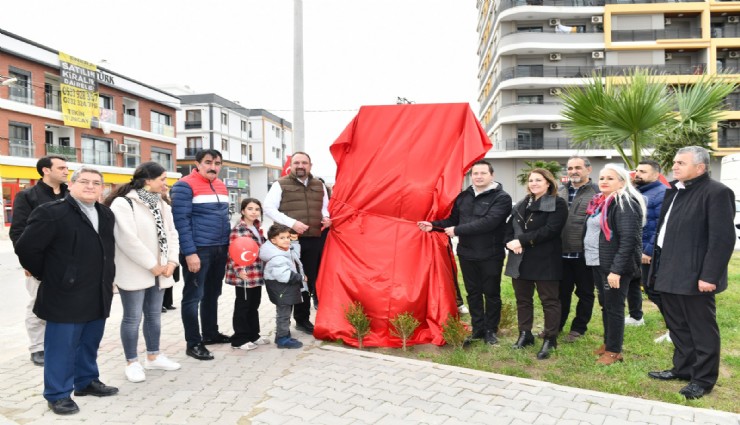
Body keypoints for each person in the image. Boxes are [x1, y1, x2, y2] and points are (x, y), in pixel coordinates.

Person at [15, 166, 118, 415]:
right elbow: (26, 249)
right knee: (61, 346)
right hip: (65, 293)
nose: (90, 186)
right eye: (84, 181)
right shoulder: (52, 212)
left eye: (96, 183)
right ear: (70, 185)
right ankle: (58, 394)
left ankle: (86, 381)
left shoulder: (105, 213)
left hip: (97, 290)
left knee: (89, 341)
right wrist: (51, 275)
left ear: (102, 188)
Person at [647, 146, 735, 400]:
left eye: (681, 163)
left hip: (696, 274)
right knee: (677, 325)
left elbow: (722, 240)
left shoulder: (717, 192)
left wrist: (710, 276)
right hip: (668, 269)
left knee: (701, 329)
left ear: (700, 167)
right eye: (674, 162)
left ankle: (704, 379)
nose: (674, 166)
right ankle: (683, 368)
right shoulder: (674, 190)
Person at [417, 160, 512, 345]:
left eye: (483, 173)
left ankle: (491, 331)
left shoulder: (501, 197)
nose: (478, 176)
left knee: (491, 293)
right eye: (475, 173)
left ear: (491, 175)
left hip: (491, 254)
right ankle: (478, 329)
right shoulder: (464, 196)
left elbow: (489, 222)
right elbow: (453, 220)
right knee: (473, 293)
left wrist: (457, 231)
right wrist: (433, 226)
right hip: (467, 253)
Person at [105, 162, 182, 383]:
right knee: (132, 317)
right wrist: (152, 264)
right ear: (148, 180)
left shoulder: (162, 203)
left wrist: (172, 262)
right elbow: (127, 239)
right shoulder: (123, 203)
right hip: (135, 269)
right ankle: (132, 362)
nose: (165, 184)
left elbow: (171, 234)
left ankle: (153, 355)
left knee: (154, 316)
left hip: (161, 271)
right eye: (162, 179)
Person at [171, 149, 231, 361]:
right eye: (208, 162)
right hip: (198, 250)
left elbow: (224, 218)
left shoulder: (221, 185)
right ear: (197, 163)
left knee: (213, 293)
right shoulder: (184, 186)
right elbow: (181, 222)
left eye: (217, 163)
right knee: (193, 297)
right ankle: (193, 343)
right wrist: (190, 253)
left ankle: (210, 334)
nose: (213, 167)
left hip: (220, 248)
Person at [9, 155, 69, 366]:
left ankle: (60, 344)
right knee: (38, 304)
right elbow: (18, 231)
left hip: (68, 262)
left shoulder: (70, 194)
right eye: (61, 167)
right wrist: (28, 262)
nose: (66, 171)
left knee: (66, 305)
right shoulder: (28, 196)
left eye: (66, 168)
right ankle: (38, 347)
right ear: (46, 170)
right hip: (39, 263)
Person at [583, 164, 645, 365]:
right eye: (601, 178)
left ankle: (614, 351)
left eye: (610, 178)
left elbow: (629, 239)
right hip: (598, 262)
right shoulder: (602, 202)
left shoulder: (624, 202)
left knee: (615, 307)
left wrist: (616, 271)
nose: (603, 181)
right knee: (606, 306)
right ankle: (608, 343)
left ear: (622, 181)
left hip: (613, 266)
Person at [263, 152, 331, 334]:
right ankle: (283, 323)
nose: (300, 166)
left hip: (314, 239)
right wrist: (292, 223)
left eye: (304, 163)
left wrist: (326, 218)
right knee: (291, 280)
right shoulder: (280, 184)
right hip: (289, 242)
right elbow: (268, 208)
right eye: (297, 162)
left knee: (308, 280)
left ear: (310, 165)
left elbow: (325, 207)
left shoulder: (319, 185)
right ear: (291, 165)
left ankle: (302, 320)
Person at [504, 168, 568, 360]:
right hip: (520, 260)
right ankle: (525, 334)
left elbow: (551, 230)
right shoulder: (522, 203)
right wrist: (508, 242)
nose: (534, 183)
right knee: (523, 300)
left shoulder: (557, 203)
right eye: (531, 180)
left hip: (545, 260)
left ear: (548, 183)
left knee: (549, 301)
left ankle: (550, 338)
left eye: (538, 180)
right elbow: (508, 227)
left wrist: (521, 241)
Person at [558, 156, 600, 343]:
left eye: (578, 167)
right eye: (570, 168)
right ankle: (556, 325)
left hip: (584, 254)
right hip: (560, 253)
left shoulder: (597, 192)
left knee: (585, 293)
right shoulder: (559, 191)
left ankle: (578, 328)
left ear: (588, 170)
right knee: (561, 293)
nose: (573, 171)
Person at [625, 160, 668, 336]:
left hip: (648, 251)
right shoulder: (638, 191)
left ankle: (675, 328)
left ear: (656, 174)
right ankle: (636, 317)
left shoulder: (661, 193)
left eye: (643, 171)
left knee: (653, 289)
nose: (638, 174)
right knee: (632, 282)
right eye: (637, 171)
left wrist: (648, 251)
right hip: (634, 248)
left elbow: (660, 225)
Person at [225, 198, 271, 350]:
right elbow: (233, 251)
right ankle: (239, 339)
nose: (254, 212)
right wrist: (239, 271)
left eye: (257, 209)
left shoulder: (257, 227)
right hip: (245, 273)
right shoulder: (239, 229)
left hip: (256, 272)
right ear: (243, 211)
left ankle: (253, 334)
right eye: (250, 208)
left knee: (254, 304)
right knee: (243, 305)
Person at [260, 224, 306, 349]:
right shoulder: (277, 257)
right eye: (282, 238)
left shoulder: (284, 249)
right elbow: (284, 276)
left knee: (285, 313)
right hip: (282, 288)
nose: (286, 240)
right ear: (273, 240)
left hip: (285, 289)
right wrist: (300, 278)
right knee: (284, 314)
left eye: (288, 237)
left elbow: (295, 254)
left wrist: (295, 242)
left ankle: (282, 334)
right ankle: (282, 339)